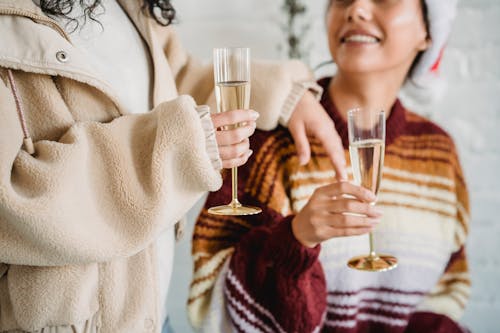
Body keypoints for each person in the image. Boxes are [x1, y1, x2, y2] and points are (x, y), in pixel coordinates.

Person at [0, 1, 348, 332]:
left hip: (159, 316)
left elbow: (175, 81)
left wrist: (282, 96)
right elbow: (10, 199)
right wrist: (179, 146)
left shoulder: (131, 7)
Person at [189, 0, 471, 332]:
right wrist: (295, 240)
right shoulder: (263, 142)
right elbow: (210, 307)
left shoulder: (439, 152)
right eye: (342, 0)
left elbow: (447, 291)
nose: (356, 9)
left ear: (429, 32)